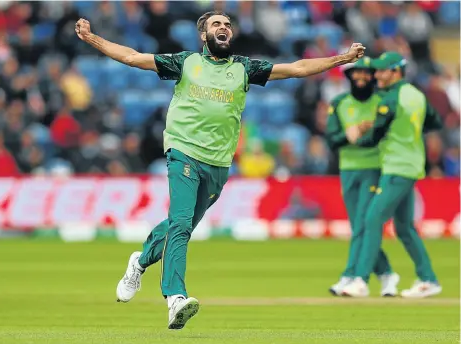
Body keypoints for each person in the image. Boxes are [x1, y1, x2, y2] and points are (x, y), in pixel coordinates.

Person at [75, 11, 366, 329]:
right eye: (216, 24)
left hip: (218, 164)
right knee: (183, 224)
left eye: (228, 24)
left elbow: (296, 68)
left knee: (179, 225)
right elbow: (131, 57)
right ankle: (175, 298)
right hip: (183, 153)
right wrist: (92, 38)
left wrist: (342, 58)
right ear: (203, 35)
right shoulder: (185, 63)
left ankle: (140, 261)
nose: (224, 27)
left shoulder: (244, 68)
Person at [341, 52, 442, 298]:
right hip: (411, 163)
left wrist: (352, 137)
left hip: (396, 166)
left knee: (372, 219)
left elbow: (373, 138)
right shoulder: (416, 94)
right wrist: (407, 134)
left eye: (381, 71)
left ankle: (361, 280)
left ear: (395, 71)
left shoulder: (390, 99)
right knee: (405, 227)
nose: (376, 75)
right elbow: (435, 121)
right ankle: (428, 279)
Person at [325, 57, 400, 297]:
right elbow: (332, 140)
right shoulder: (339, 103)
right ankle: (387, 274)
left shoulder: (382, 102)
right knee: (360, 225)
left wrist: (372, 130)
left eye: (366, 74)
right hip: (348, 169)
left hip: (375, 167)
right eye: (356, 73)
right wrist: (352, 134)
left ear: (373, 76)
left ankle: (350, 275)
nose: (361, 78)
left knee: (363, 225)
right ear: (349, 77)